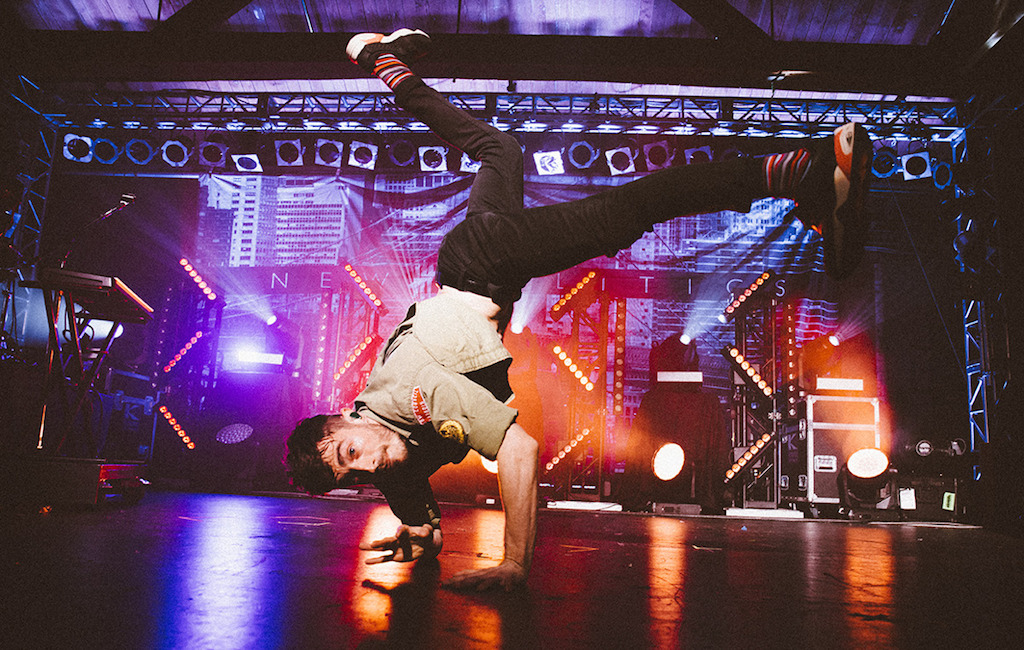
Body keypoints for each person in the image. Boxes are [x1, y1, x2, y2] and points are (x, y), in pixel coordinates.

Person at [285, 28, 873, 591]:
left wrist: (514, 564)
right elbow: (417, 513)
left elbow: (519, 448)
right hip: (474, 265)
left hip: (486, 261)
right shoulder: (387, 460)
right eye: (352, 477)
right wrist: (419, 535)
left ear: (346, 416)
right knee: (498, 149)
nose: (367, 468)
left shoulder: (417, 396)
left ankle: (802, 171)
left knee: (629, 211)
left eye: (351, 453)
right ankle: (381, 60)